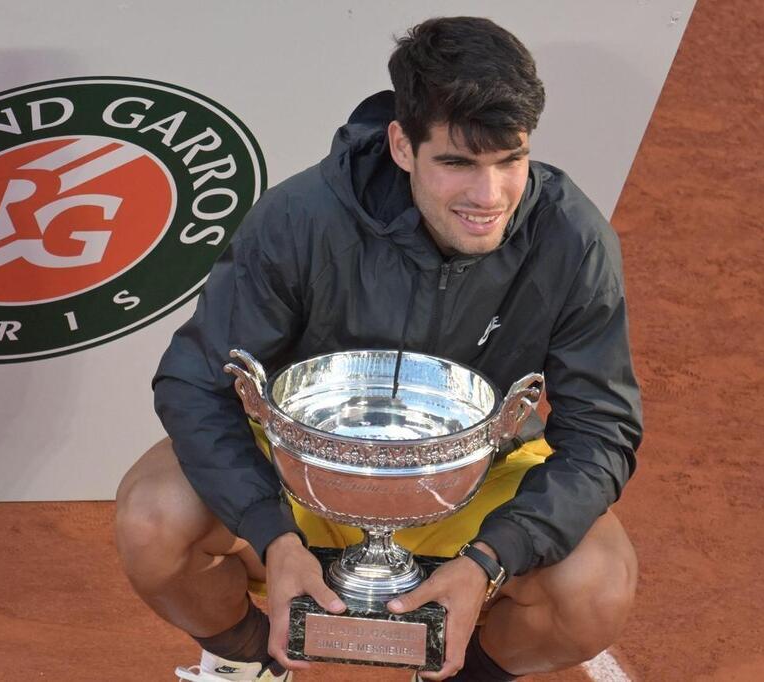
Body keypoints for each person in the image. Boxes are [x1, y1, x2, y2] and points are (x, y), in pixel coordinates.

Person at [116, 16, 642, 682]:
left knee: (597, 587)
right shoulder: (301, 218)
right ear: (401, 145)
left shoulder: (572, 238)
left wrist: (492, 558)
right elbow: (195, 383)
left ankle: (455, 675)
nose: (489, 196)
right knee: (153, 520)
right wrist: (270, 533)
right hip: (304, 475)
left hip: (474, 480)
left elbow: (603, 429)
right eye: (457, 163)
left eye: (510, 160)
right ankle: (252, 661)